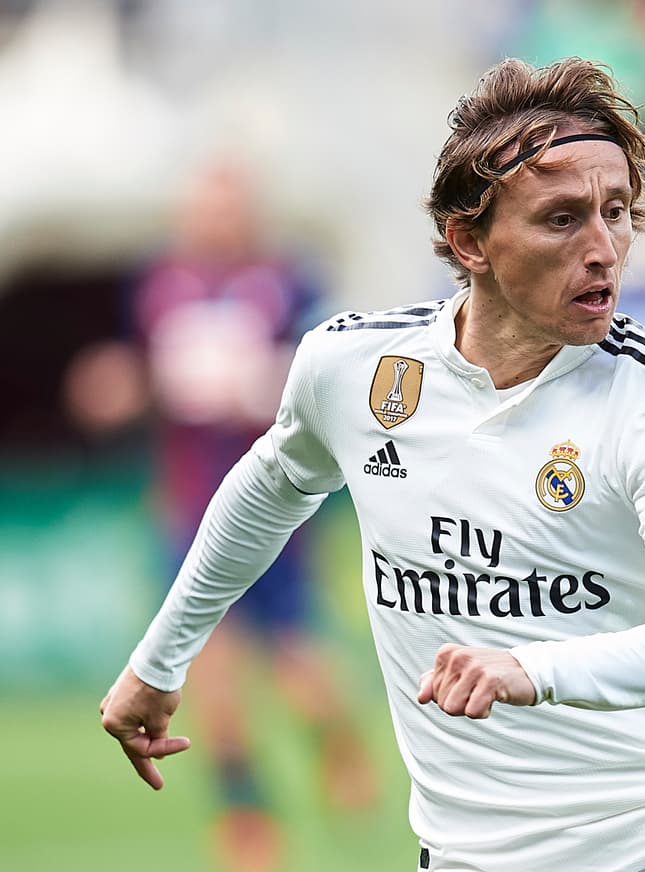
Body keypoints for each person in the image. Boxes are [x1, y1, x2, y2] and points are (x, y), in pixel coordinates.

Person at [99, 58, 645, 872]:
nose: (603, 249)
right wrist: (158, 663)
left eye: (617, 212)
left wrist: (532, 669)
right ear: (469, 241)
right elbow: (267, 487)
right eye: (562, 220)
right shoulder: (355, 368)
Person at [80, 161, 376, 871]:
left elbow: (326, 375)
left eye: (227, 206)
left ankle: (338, 743)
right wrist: (123, 385)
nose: (213, 219)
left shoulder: (289, 282)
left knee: (296, 659)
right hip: (187, 504)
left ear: (250, 214)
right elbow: (150, 374)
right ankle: (247, 814)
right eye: (203, 206)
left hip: (273, 506)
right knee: (209, 667)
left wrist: (254, 383)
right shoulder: (157, 285)